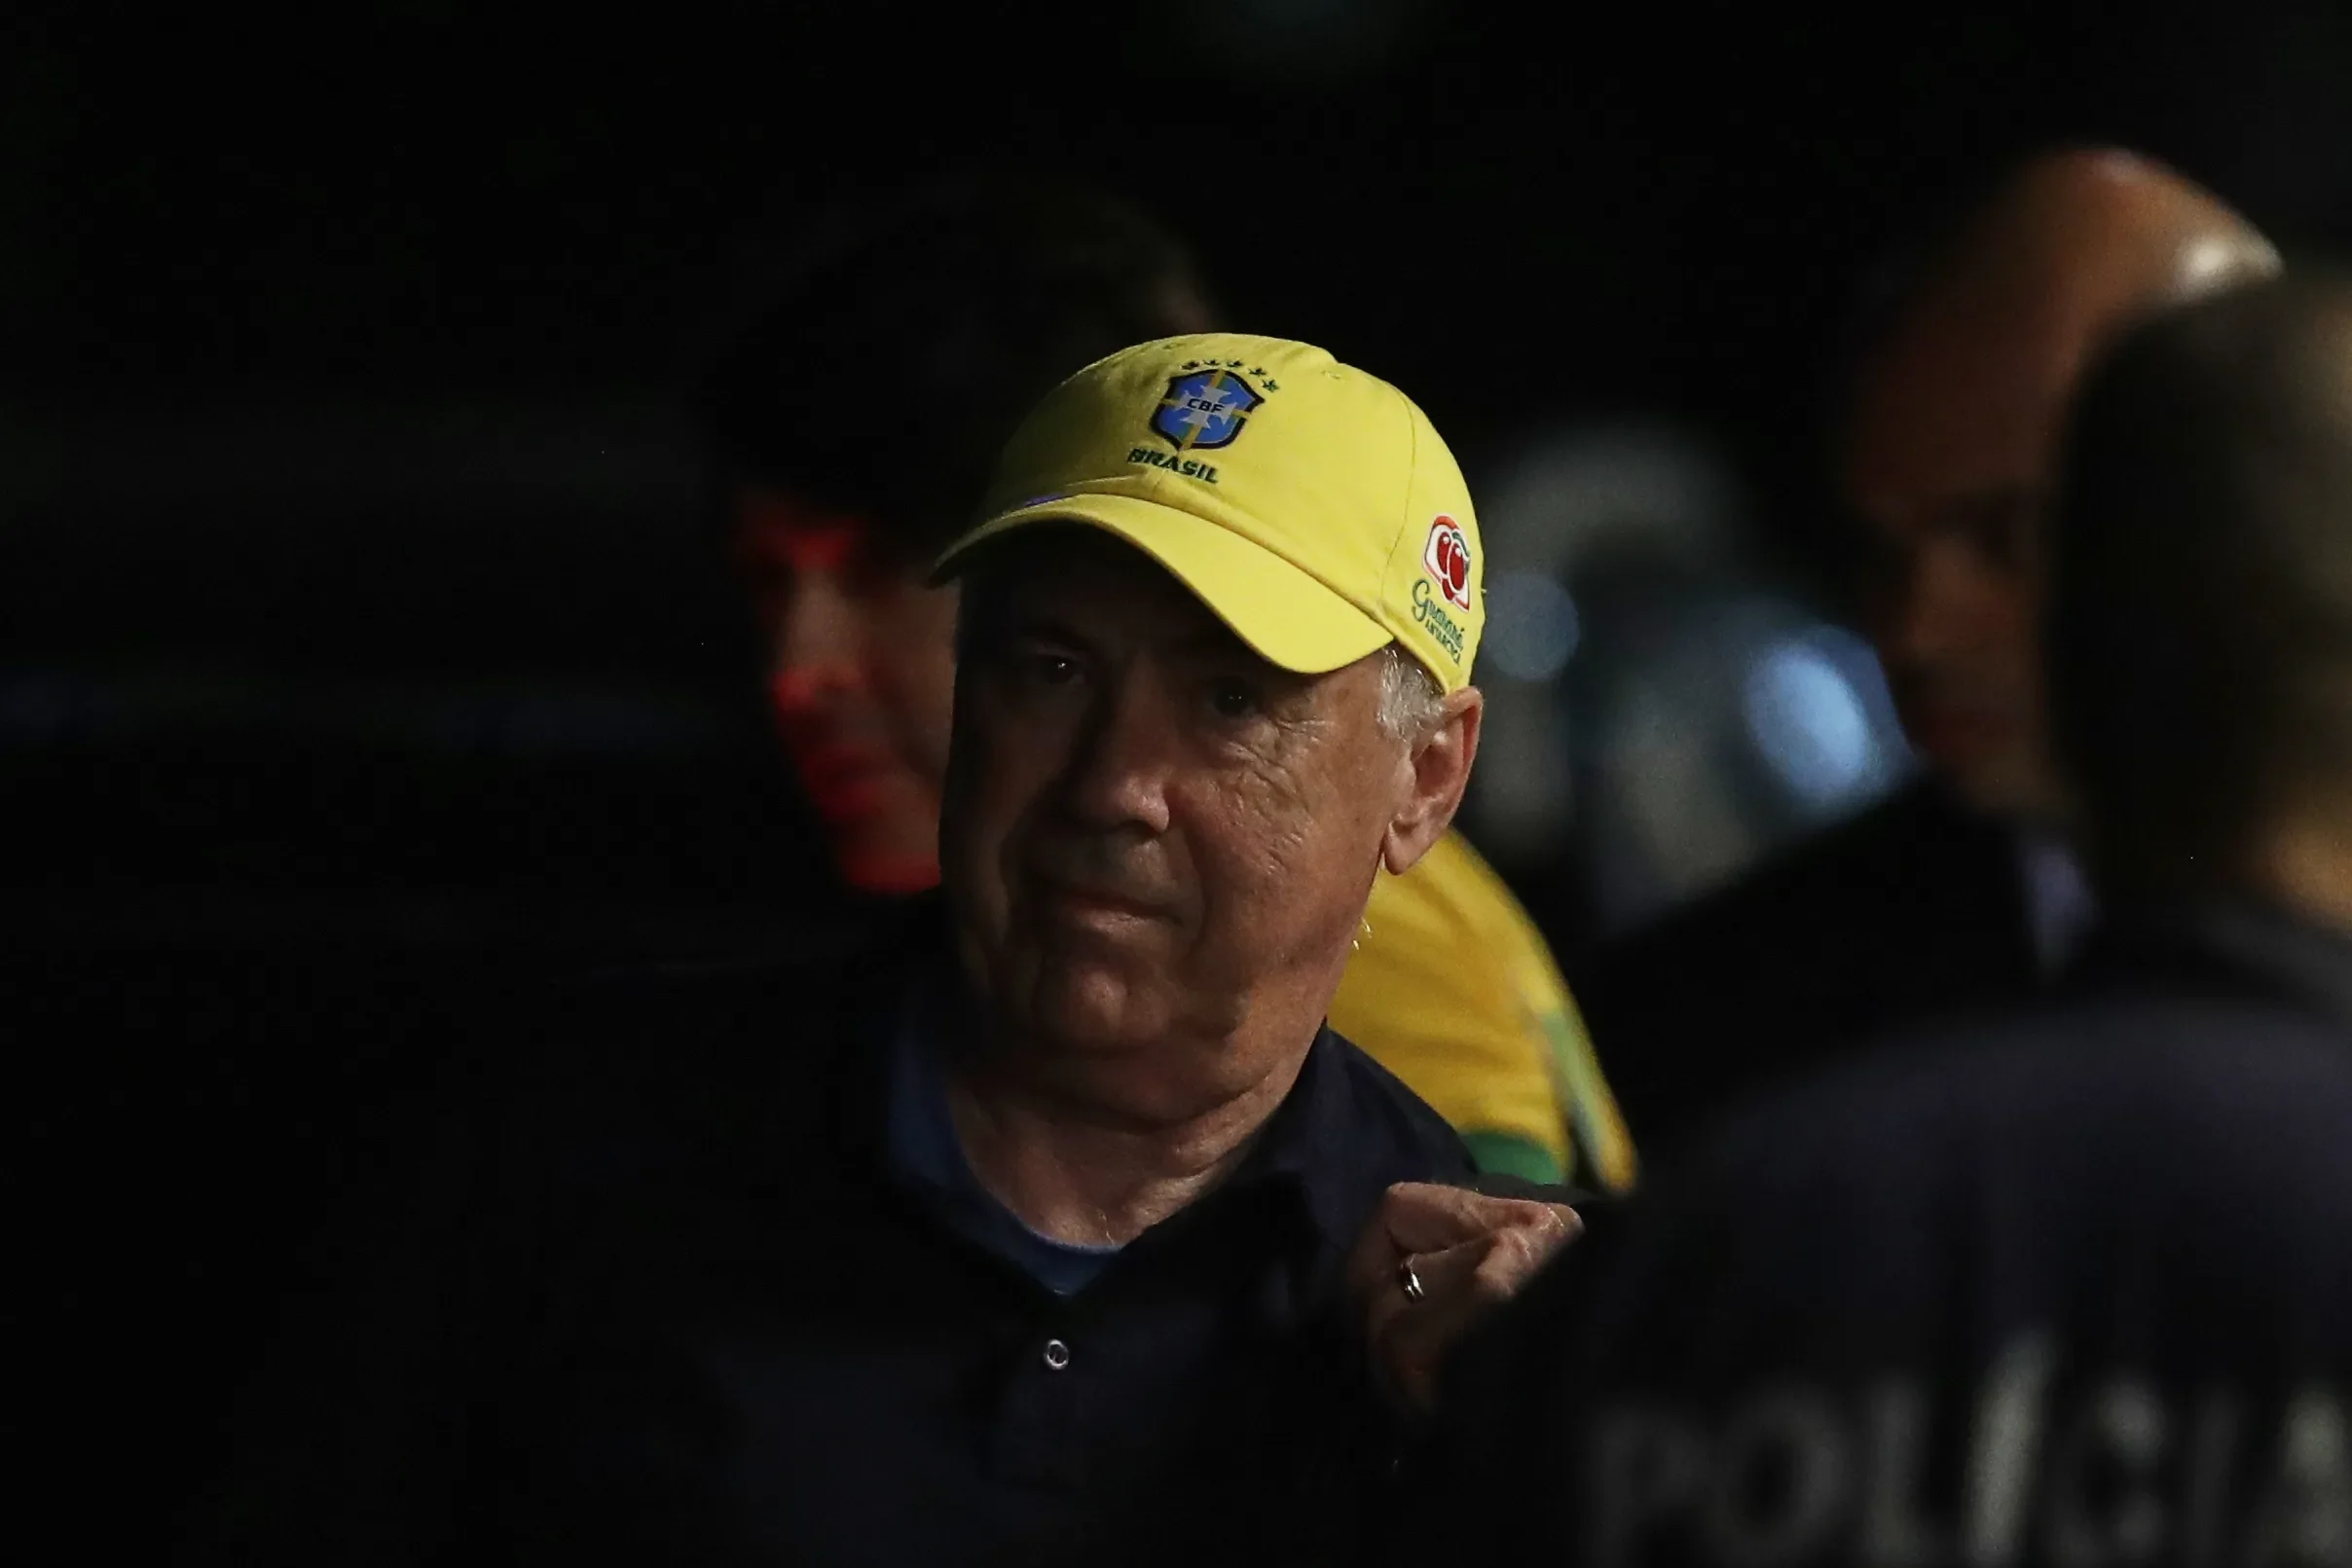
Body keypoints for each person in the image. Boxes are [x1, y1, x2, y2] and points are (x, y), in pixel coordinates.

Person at [186, 333, 1579, 1567]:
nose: (1112, 784)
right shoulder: (573, 1150)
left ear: (1425, 779)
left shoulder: (1469, 1322)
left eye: (1230, 699)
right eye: (1052, 669)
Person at [1413, 273, 2352, 1568]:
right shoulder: (1692, 1104)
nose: (1915, 626)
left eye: (2000, 538)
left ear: (2077, 649)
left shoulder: (1680, 1274)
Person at [699, 176, 1634, 1190]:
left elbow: (1498, 1261)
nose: (797, 673)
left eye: (876, 569)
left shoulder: (1333, 952)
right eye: (768, 582)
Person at [1577, 147, 2279, 1153]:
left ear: (2248, 508)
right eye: (1880, 552)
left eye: (2005, 536)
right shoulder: (1697, 1035)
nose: (1913, 630)